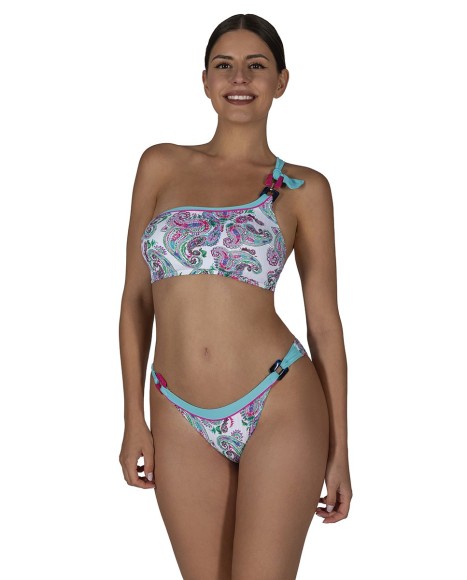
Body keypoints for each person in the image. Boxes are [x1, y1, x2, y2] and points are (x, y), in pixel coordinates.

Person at [119, 13, 352, 579]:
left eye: (256, 65)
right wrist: (132, 418)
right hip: (177, 411)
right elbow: (135, 300)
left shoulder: (304, 189)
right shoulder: (160, 165)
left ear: (281, 81)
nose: (239, 77)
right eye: (224, 65)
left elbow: (324, 323)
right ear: (205, 80)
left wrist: (341, 450)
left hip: (278, 403)